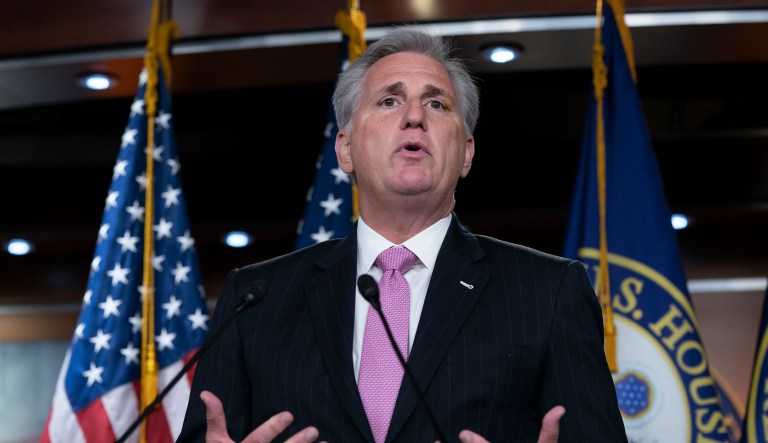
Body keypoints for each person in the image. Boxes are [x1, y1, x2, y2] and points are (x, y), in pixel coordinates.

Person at [178, 26, 627, 442]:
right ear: (346, 149)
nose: (414, 117)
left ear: (466, 153)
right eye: (389, 101)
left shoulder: (549, 291)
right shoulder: (255, 300)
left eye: (437, 104)